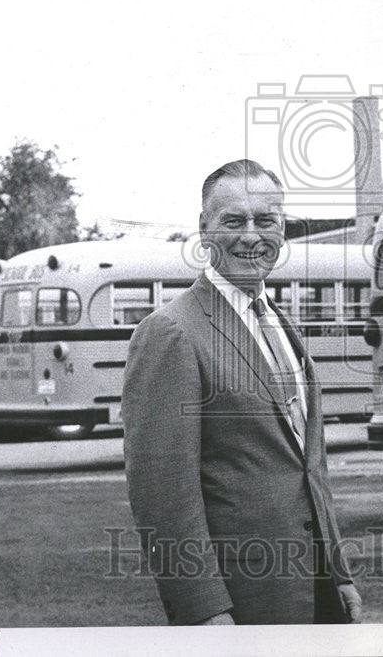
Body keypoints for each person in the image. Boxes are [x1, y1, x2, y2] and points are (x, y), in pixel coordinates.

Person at [123, 159, 363, 625]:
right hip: (241, 603)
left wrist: (338, 573)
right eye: (234, 220)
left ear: (283, 228)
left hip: (314, 591)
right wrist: (204, 610)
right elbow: (163, 495)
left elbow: (308, 468)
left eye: (266, 220)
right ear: (204, 229)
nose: (251, 236)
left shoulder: (278, 321)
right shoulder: (171, 332)